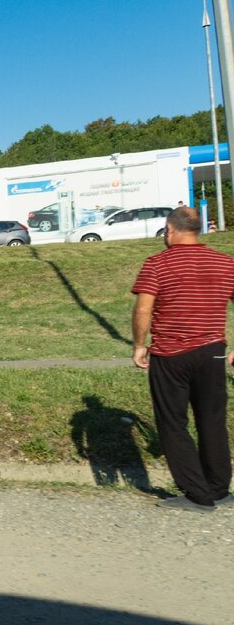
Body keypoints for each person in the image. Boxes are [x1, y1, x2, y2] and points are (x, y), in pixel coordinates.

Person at [131, 206, 234, 512]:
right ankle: (218, 488)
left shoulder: (156, 264)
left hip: (170, 354)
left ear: (170, 229)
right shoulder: (225, 263)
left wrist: (139, 345)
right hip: (212, 351)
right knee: (212, 420)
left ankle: (196, 495)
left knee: (173, 423)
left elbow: (143, 309)